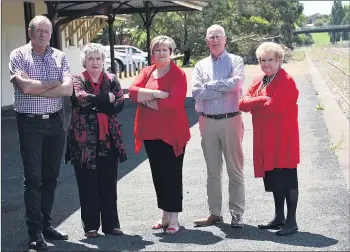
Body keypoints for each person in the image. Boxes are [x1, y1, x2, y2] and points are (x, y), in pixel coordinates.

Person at [9, 15, 72, 250]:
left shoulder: (59, 56)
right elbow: (24, 87)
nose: (43, 35)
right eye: (39, 31)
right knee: (33, 179)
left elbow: (67, 90)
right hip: (30, 124)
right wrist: (52, 83)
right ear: (30, 32)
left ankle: (46, 224)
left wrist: (37, 86)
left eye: (47, 31)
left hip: (55, 124)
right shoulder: (18, 55)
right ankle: (34, 232)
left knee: (51, 177)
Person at [129, 35, 190, 235]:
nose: (160, 53)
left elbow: (174, 103)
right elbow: (132, 93)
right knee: (158, 175)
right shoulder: (147, 71)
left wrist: (146, 100)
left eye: (164, 50)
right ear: (152, 53)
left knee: (172, 174)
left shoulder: (178, 74)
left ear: (171, 53)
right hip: (151, 133)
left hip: (172, 133)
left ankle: (174, 218)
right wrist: (154, 95)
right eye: (157, 50)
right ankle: (164, 215)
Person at [65, 43, 127, 238]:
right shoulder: (77, 79)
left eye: (98, 58)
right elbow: (81, 98)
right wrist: (103, 99)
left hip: (109, 140)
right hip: (83, 143)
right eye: (90, 58)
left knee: (108, 184)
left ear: (103, 61)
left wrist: (96, 103)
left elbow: (118, 104)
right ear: (84, 61)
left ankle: (111, 225)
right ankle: (91, 227)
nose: (94, 62)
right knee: (88, 184)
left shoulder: (112, 79)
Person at [238, 41, 300, 236]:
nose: (266, 64)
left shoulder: (286, 80)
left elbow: (274, 107)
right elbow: (242, 103)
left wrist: (256, 103)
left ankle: (291, 221)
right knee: (274, 177)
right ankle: (279, 217)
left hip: (283, 139)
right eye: (262, 60)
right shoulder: (259, 80)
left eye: (270, 60)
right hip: (266, 139)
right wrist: (260, 100)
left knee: (287, 178)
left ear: (279, 60)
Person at [192, 24, 245, 228]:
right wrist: (223, 87)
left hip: (231, 119)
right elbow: (196, 92)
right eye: (211, 37)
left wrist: (210, 86)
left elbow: (237, 84)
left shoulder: (236, 61)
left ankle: (237, 213)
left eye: (218, 36)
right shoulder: (200, 65)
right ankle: (215, 212)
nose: (214, 40)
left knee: (235, 169)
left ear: (225, 39)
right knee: (212, 171)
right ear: (206, 40)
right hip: (207, 121)